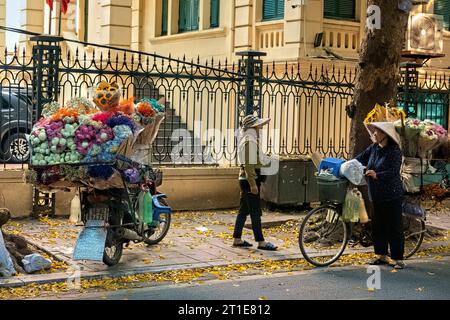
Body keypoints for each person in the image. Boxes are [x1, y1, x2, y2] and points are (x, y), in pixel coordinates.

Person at [355, 122, 405, 269]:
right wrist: (346, 165)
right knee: (378, 226)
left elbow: (393, 171)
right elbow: (359, 159)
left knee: (394, 226)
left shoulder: (395, 151)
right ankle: (381, 255)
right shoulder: (373, 148)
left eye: (377, 132)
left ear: (385, 135)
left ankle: (397, 258)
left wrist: (377, 175)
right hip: (376, 195)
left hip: (392, 194)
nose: (374, 134)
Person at [232, 115, 278, 251]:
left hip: (246, 179)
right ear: (252, 128)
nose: (261, 128)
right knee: (255, 212)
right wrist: (252, 184)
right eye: (258, 126)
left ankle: (237, 238)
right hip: (249, 180)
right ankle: (261, 242)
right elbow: (249, 165)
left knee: (243, 210)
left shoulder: (250, 140)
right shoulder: (249, 142)